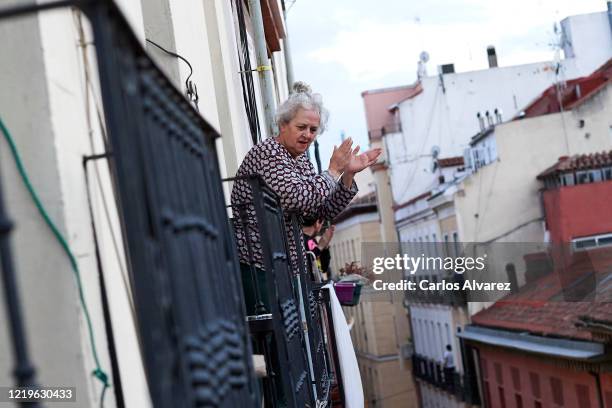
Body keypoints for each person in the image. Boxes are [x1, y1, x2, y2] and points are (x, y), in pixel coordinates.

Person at [231, 81, 381, 314]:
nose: (308, 135)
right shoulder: (267, 153)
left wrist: (348, 175)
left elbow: (320, 212)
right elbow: (299, 199)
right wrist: (332, 171)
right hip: (258, 267)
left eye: (313, 130)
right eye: (302, 127)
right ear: (282, 124)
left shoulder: (301, 161)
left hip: (286, 268)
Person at [302, 216, 335, 280]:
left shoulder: (312, 240)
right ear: (317, 223)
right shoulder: (300, 239)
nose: (320, 228)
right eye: (322, 224)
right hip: (308, 285)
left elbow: (323, 268)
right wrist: (320, 246)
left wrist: (325, 247)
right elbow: (305, 262)